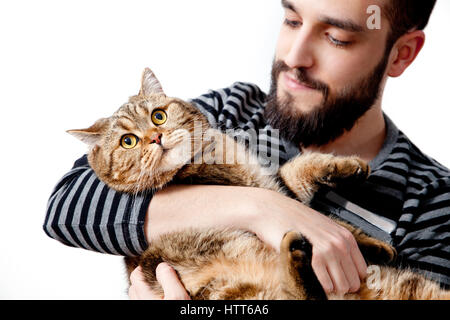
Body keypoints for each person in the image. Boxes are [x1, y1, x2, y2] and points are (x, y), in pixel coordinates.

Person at [44, 0, 449, 299]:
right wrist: (262, 208)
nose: (293, 57)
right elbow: (69, 204)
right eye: (291, 20)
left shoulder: (436, 201)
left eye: (336, 38)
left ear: (401, 54)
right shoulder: (230, 109)